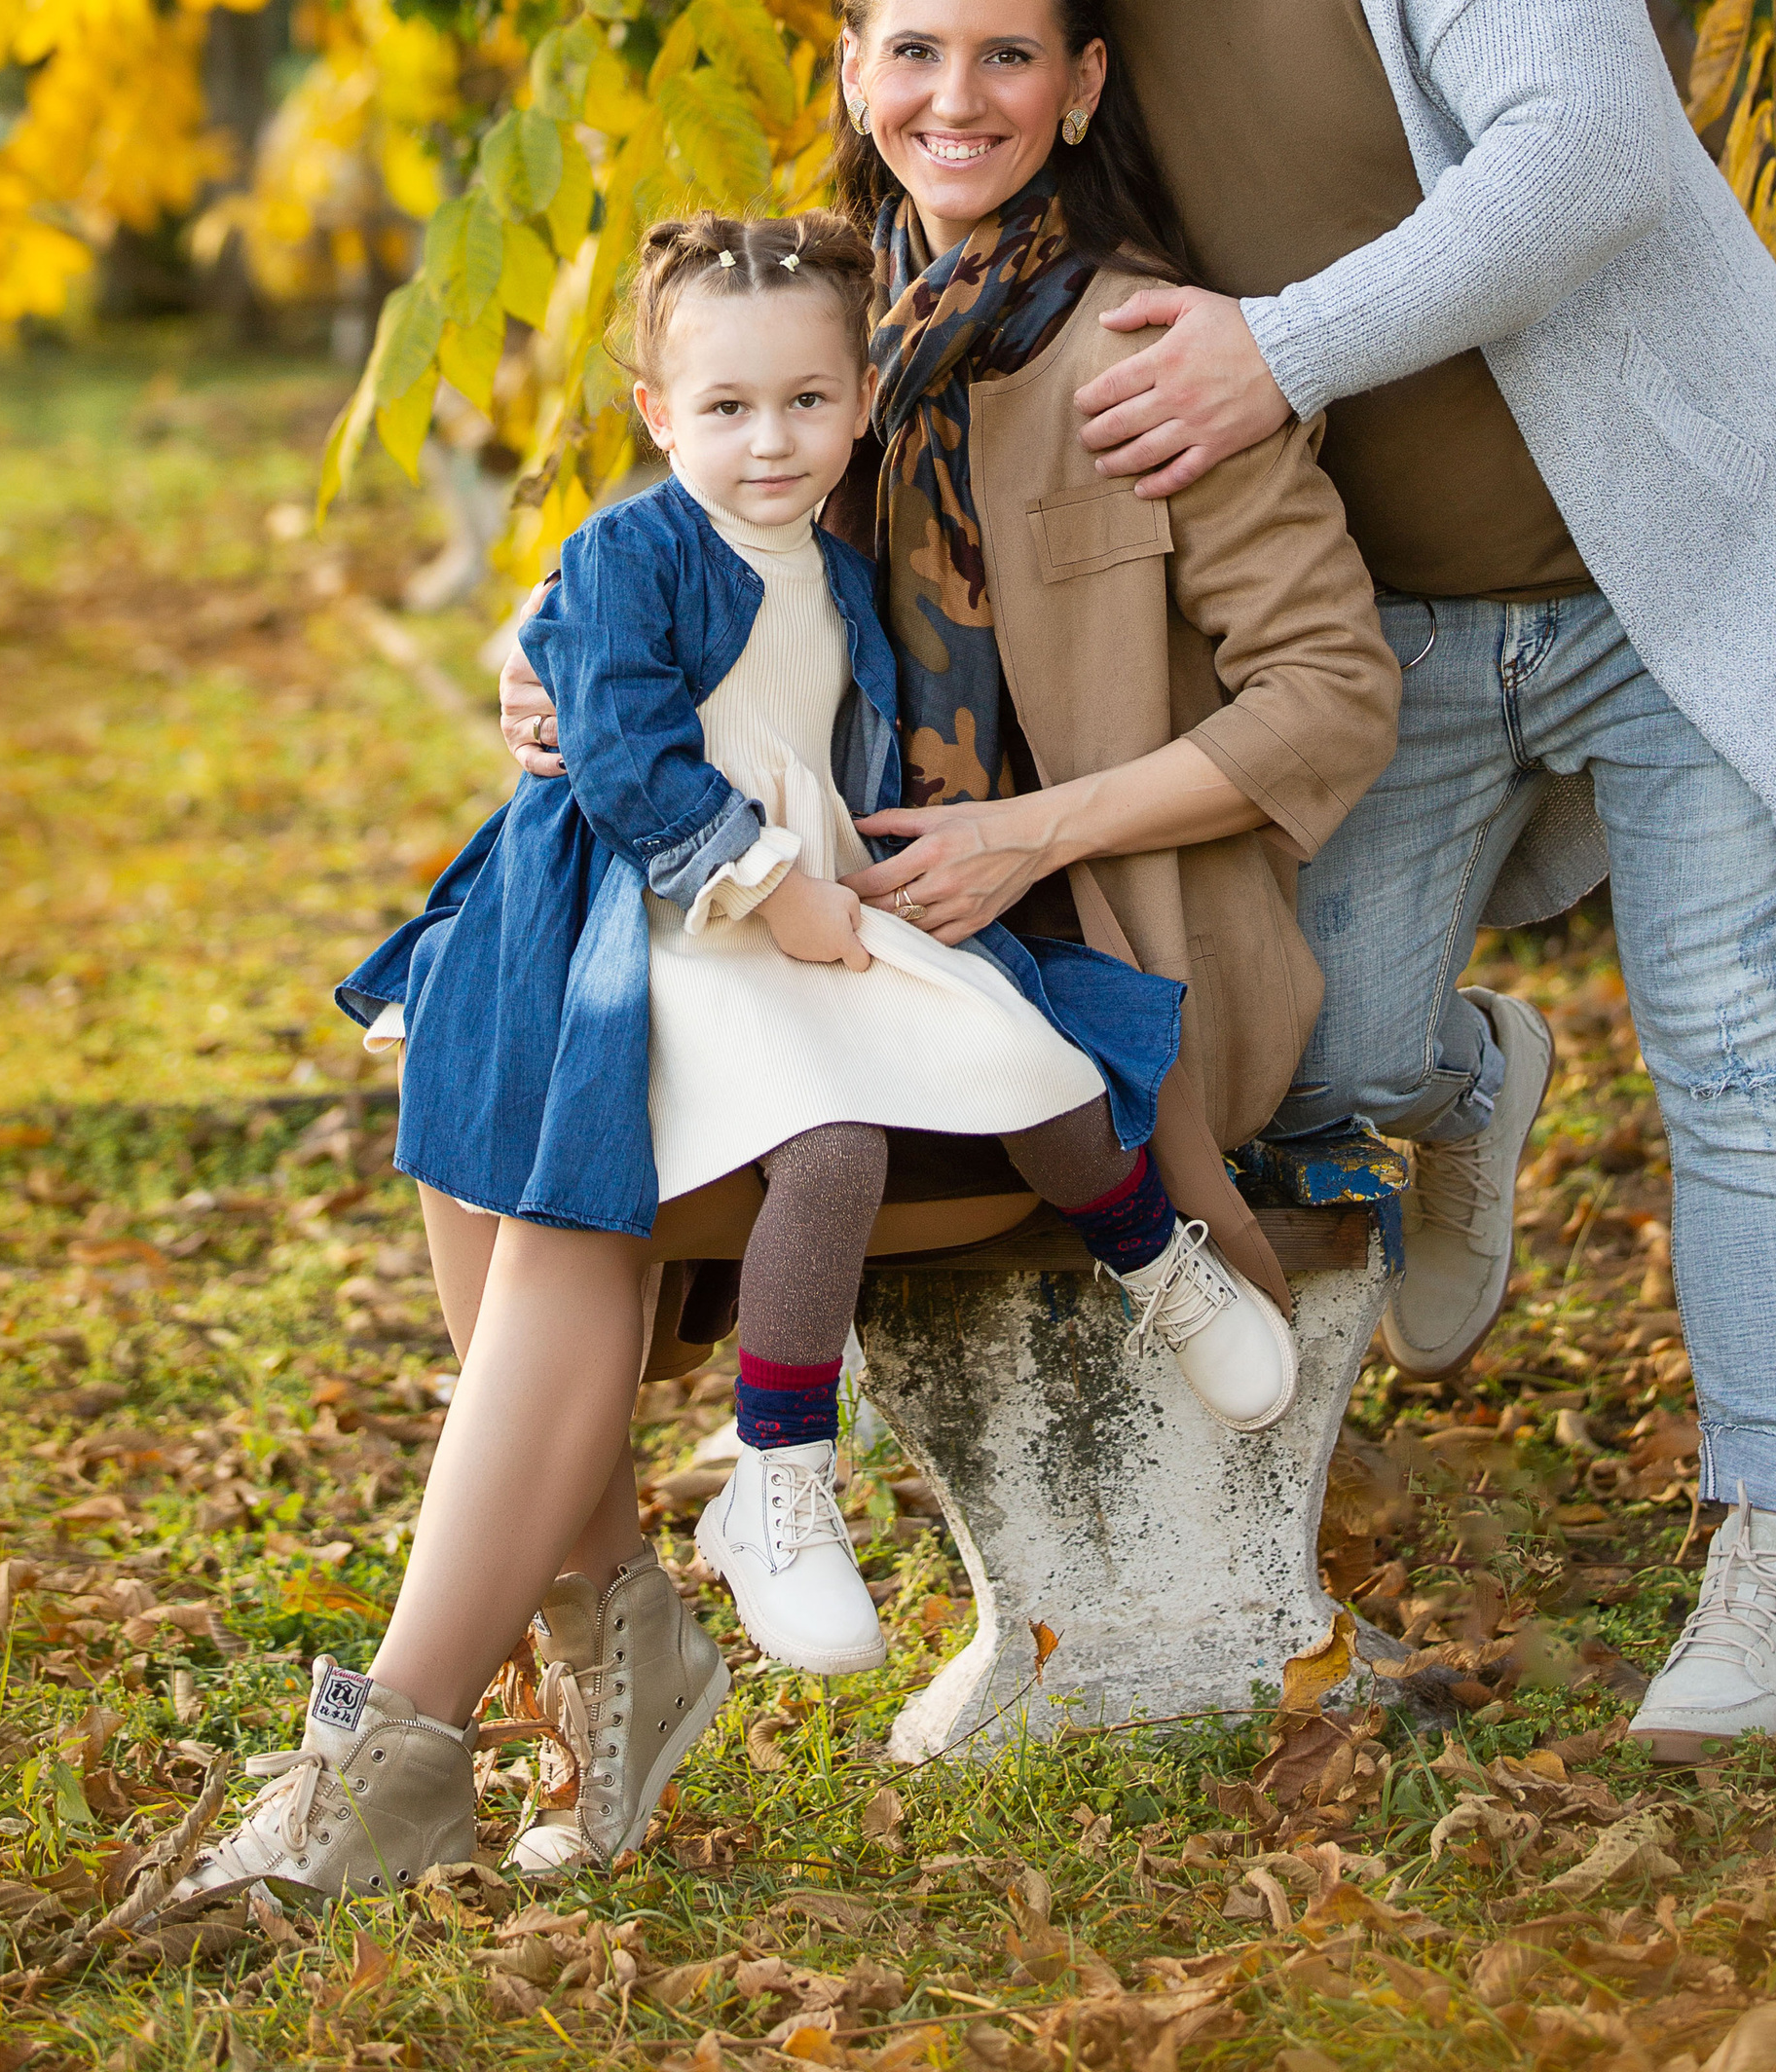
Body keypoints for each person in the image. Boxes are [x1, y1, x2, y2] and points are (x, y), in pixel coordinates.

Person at [895, 0, 1776, 1759]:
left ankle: (1772, 1561)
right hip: (1402, 626)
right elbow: (929, 212)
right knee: (1303, 1056)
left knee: (1743, 1064)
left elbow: (1583, 156)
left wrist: (1278, 348)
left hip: (1677, 565)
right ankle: (1467, 1077)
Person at [170, 191, 1316, 1910]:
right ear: (659, 411)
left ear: (856, 400)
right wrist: (554, 656)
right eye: (725, 409)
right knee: (512, 1142)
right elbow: (619, 626)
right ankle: (514, 1698)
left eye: (804, 405)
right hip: (638, 908)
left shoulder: (963, 443)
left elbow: (811, 673)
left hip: (808, 915)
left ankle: (466, 1723)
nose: (770, 436)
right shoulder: (716, 468)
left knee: (602, 1192)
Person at [494, 0, 1403, 1832]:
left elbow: (1331, 694)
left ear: (1080, 90)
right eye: (914, 49)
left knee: (560, 1163)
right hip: (825, 929)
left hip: (1075, 958)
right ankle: (612, 1638)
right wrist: (538, 660)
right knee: (493, 1124)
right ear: (855, 66)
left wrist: (1026, 831)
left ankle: (574, 1655)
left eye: (1008, 55)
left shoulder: (1150, 353)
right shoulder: (832, 323)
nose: (956, 95)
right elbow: (663, 544)